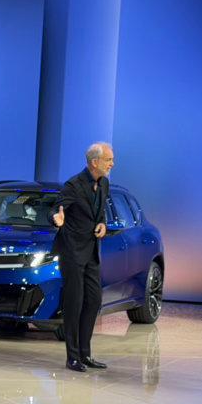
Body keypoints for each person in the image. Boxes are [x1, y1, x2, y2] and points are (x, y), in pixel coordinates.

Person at [51, 142, 114, 372]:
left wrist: (102, 224)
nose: (112, 164)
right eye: (108, 160)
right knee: (74, 304)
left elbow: (100, 213)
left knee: (93, 300)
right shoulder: (74, 185)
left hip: (91, 252)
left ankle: (85, 354)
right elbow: (57, 208)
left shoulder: (104, 183)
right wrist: (56, 218)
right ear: (94, 162)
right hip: (72, 252)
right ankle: (73, 357)